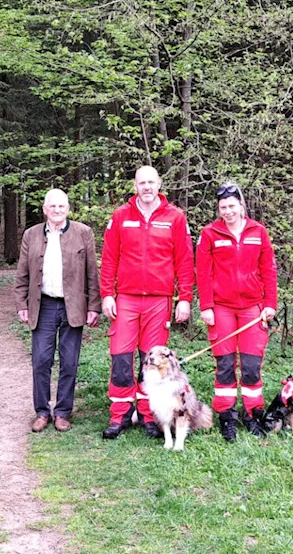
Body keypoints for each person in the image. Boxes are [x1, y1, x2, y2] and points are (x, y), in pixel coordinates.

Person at [99, 165, 194, 440]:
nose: (147, 187)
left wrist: (184, 298)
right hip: (126, 298)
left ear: (159, 184)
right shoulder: (120, 216)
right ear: (135, 186)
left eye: (152, 182)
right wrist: (107, 293)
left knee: (151, 359)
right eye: (142, 183)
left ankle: (148, 414)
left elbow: (184, 262)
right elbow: (109, 259)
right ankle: (119, 415)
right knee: (120, 356)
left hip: (159, 300)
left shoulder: (175, 217)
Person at [195, 183, 278, 441]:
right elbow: (203, 273)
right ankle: (227, 415)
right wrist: (206, 306)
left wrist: (270, 304)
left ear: (242, 206)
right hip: (221, 308)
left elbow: (268, 269)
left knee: (252, 365)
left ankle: (253, 414)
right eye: (223, 208)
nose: (228, 212)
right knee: (225, 365)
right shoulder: (209, 234)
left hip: (252, 308)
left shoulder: (258, 232)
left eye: (232, 206)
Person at [14, 189, 101, 433]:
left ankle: (62, 412)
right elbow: (22, 273)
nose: (57, 210)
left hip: (73, 306)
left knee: (69, 362)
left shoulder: (83, 233)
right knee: (41, 361)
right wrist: (22, 304)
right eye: (52, 206)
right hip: (42, 306)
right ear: (44, 209)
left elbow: (92, 274)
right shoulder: (31, 235)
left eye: (62, 206)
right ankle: (42, 411)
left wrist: (94, 306)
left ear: (68, 208)